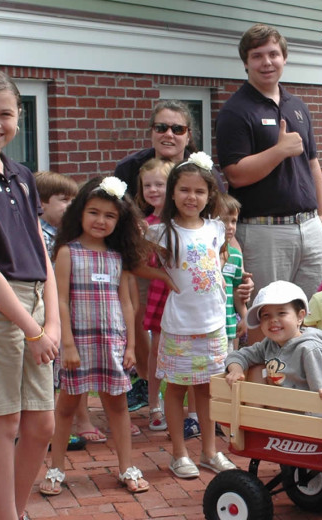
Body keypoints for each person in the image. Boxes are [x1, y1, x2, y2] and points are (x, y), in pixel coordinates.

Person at [0, 70, 60, 520]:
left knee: (42, 422)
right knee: (4, 423)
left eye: (4, 113)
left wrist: (53, 324)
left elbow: (43, 252)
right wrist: (32, 331)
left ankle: (17, 512)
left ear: (18, 118)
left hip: (36, 305)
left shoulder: (22, 175)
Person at [216, 24, 322, 339]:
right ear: (246, 63)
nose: (267, 62)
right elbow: (235, 173)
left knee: (297, 314)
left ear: (284, 58)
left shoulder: (298, 106)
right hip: (264, 232)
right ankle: (259, 381)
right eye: (258, 56)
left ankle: (290, 379)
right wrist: (279, 151)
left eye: (273, 54)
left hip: (309, 229)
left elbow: (313, 164)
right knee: (263, 317)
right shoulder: (236, 111)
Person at [39, 176, 149, 495]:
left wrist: (130, 345)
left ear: (120, 220)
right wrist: (67, 344)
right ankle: (56, 468)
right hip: (78, 345)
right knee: (66, 408)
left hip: (111, 344)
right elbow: (59, 299)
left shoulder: (118, 257)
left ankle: (127, 466)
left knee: (118, 408)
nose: (101, 220)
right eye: (94, 212)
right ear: (80, 214)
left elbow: (126, 303)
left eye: (110, 215)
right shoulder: (67, 252)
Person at [144, 152, 236, 479]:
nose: (191, 197)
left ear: (210, 194)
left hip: (213, 325)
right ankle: (179, 453)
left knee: (207, 390)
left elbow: (221, 261)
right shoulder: (161, 232)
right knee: (177, 388)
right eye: (184, 189)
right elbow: (135, 261)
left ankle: (210, 452)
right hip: (180, 326)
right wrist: (163, 278)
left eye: (199, 191)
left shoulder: (216, 228)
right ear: (172, 192)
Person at [115, 100, 197, 414]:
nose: (168, 134)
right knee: (141, 319)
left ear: (188, 135)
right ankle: (149, 389)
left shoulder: (199, 168)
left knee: (185, 330)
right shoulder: (130, 166)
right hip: (142, 255)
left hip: (187, 260)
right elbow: (119, 209)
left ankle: (188, 398)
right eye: (161, 127)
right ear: (151, 132)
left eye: (177, 128)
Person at [35, 171, 91, 450]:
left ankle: (50, 427)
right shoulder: (41, 236)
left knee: (54, 373)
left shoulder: (61, 234)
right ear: (41, 203)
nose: (71, 205)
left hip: (58, 310)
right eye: (64, 199)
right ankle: (43, 430)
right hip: (44, 311)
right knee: (45, 373)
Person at [225, 280, 322, 402]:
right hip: (279, 410)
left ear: (300, 317)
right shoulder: (269, 344)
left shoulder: (310, 349)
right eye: (266, 315)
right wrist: (236, 369)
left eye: (281, 313)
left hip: (303, 414)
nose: (273, 320)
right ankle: (255, 418)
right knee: (257, 368)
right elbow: (239, 354)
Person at [135, 158, 174, 432]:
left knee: (186, 349)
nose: (153, 190)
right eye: (147, 185)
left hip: (187, 294)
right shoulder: (146, 225)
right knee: (158, 347)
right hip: (162, 291)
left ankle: (188, 407)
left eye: (159, 184)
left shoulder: (185, 221)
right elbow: (144, 263)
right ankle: (154, 404)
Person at [219, 194, 249, 349]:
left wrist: (245, 317)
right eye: (224, 220)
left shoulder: (236, 256)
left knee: (229, 367)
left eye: (233, 221)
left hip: (229, 326)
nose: (230, 226)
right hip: (205, 327)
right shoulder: (203, 254)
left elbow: (237, 291)